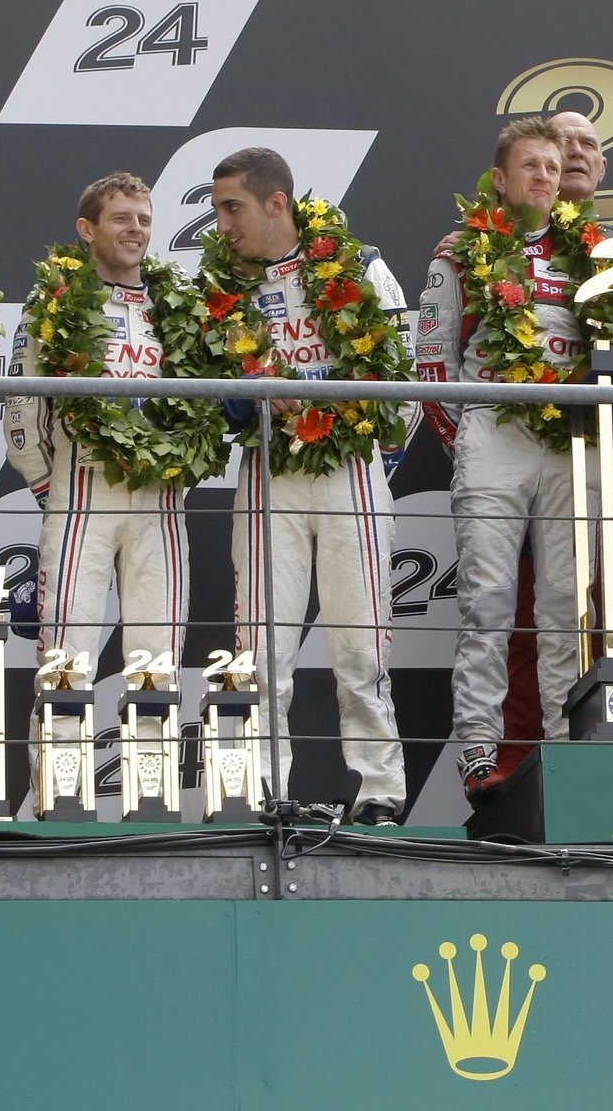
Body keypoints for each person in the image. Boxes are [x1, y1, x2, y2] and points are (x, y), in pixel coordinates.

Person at [202, 147, 413, 826]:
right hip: (269, 473)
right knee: (261, 647)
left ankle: (380, 792)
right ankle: (265, 790)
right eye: (216, 211)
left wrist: (377, 463)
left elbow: (400, 376)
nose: (222, 224)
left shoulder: (357, 264)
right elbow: (212, 391)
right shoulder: (221, 285)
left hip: (351, 469)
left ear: (276, 202)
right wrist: (249, 395)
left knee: (360, 646)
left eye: (232, 207)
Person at [8, 174, 223, 778]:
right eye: (121, 219)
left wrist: (182, 468)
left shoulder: (173, 304)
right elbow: (23, 408)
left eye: (144, 220)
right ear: (87, 229)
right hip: (82, 494)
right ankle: (58, 799)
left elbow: (200, 405)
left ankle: (148, 796)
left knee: (156, 658)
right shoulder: (54, 301)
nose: (136, 231)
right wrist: (51, 490)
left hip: (160, 501)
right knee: (66, 657)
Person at [419, 108, 609, 765]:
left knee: (564, 600)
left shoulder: (592, 253)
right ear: (500, 179)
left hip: (568, 443)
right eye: (531, 164)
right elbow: (433, 358)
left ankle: (562, 746)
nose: (545, 176)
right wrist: (464, 437)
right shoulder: (461, 248)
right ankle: (479, 746)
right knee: (488, 598)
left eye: (554, 167)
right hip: (494, 432)